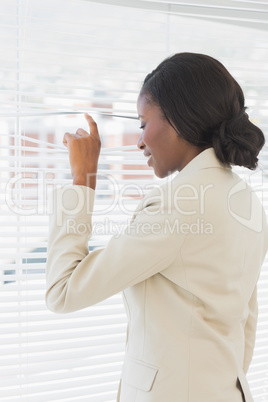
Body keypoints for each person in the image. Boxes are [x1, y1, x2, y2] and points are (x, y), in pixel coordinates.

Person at [46, 53, 268, 402]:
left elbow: (63, 290)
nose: (139, 141)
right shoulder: (244, 199)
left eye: (142, 123)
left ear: (178, 120)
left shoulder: (179, 204)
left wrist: (82, 179)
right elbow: (245, 323)